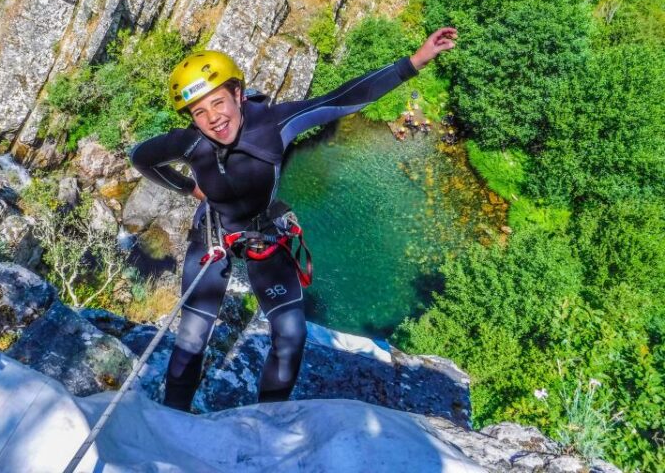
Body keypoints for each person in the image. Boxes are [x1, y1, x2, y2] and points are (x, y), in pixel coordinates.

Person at [128, 27, 457, 412]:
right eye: (199, 112)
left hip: (265, 234)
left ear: (237, 93)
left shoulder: (274, 125)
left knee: (290, 335)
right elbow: (141, 157)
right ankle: (171, 421)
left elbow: (342, 98)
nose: (213, 118)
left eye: (218, 102)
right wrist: (189, 189)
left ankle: (266, 420)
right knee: (191, 337)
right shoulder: (189, 144)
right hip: (214, 234)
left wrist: (414, 62)